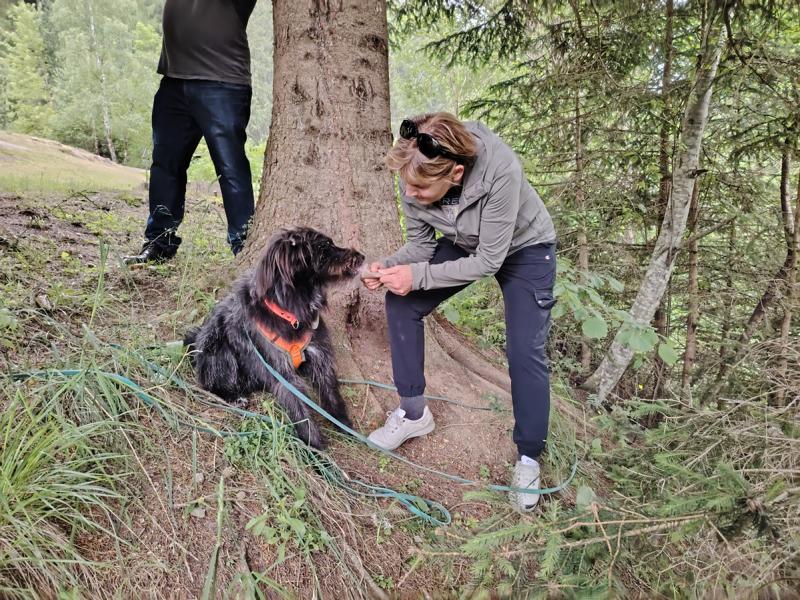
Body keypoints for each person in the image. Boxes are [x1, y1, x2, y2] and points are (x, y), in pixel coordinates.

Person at [362, 113, 557, 511]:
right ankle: (413, 414)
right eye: (406, 185)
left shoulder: (500, 169)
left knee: (525, 351)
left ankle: (528, 457)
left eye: (419, 188)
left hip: (525, 249)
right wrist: (388, 268)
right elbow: (421, 247)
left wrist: (417, 276)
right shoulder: (414, 169)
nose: (409, 193)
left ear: (456, 173)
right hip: (467, 243)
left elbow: (489, 260)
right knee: (401, 300)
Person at [124, 0, 257, 265]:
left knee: (231, 169)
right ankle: (159, 243)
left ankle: (245, 250)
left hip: (222, 83)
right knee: (165, 166)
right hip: (174, 81)